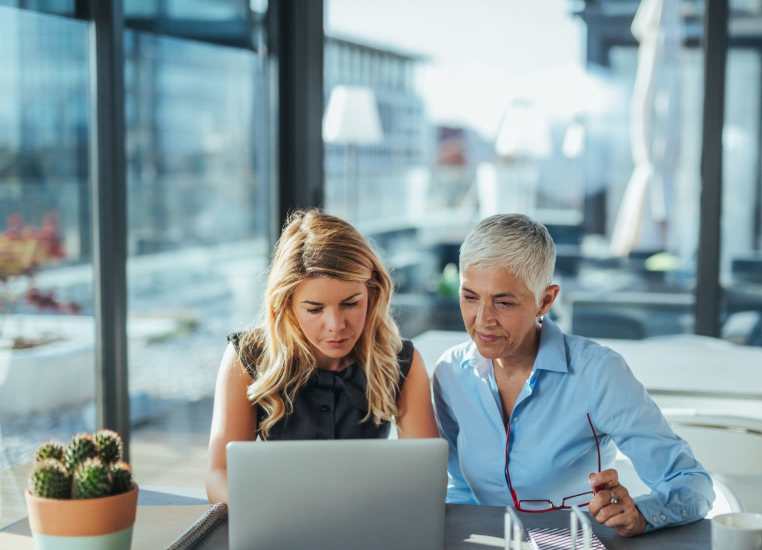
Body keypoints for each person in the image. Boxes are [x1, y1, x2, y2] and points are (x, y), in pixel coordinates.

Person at [432, 214, 713, 537]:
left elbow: (693, 484)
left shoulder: (597, 372)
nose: (483, 320)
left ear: (545, 300)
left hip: (578, 542)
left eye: (504, 303)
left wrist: (641, 514)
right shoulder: (451, 374)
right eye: (470, 297)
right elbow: (459, 487)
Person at [206, 210, 438, 504]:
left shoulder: (401, 361)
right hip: (277, 519)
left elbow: (425, 477)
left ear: (372, 293)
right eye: (314, 309)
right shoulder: (248, 357)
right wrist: (260, 512)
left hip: (368, 517)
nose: (336, 325)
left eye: (351, 304)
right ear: (286, 305)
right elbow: (219, 474)